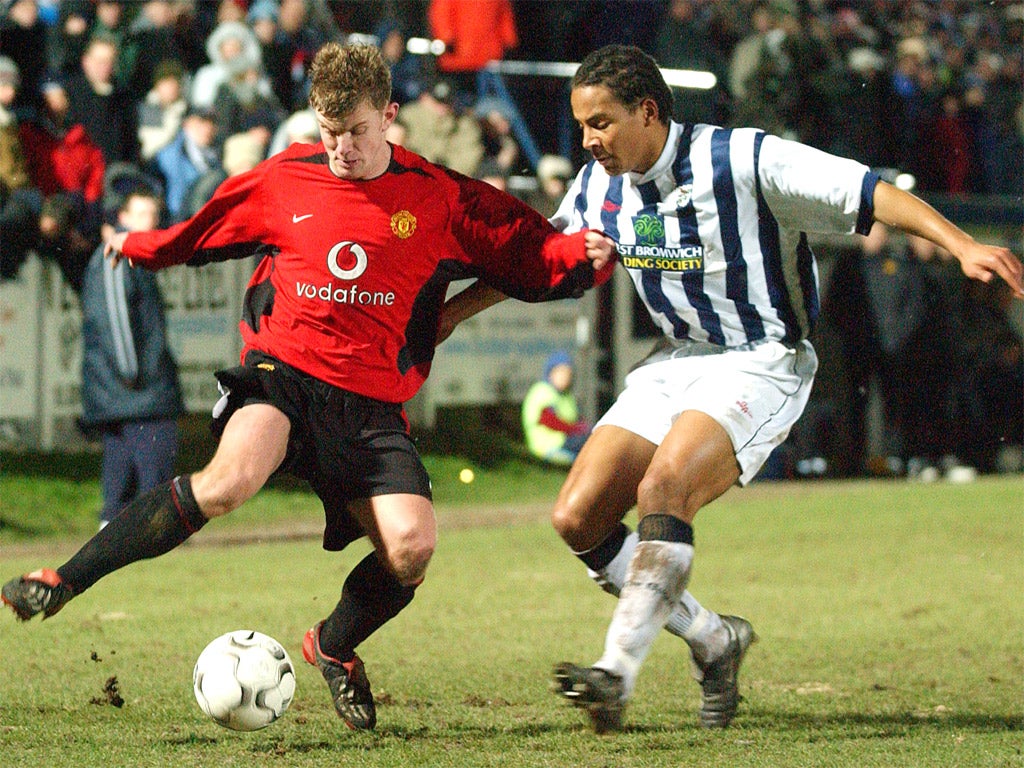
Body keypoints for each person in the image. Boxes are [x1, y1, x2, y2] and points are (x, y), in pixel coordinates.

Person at [1, 42, 615, 733]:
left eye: (355, 132)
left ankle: (334, 645)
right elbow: (199, 235)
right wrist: (140, 245)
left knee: (411, 552)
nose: (342, 149)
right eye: (329, 134)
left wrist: (578, 257)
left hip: (373, 404)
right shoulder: (285, 177)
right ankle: (61, 580)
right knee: (228, 481)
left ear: (388, 117)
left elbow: (527, 250)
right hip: (283, 375)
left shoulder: (440, 198)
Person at [440, 44, 1023, 734]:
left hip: (762, 357)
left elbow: (870, 193)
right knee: (578, 516)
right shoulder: (601, 187)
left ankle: (616, 673)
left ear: (648, 112)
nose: (588, 140)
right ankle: (715, 640)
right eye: (583, 124)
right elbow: (540, 259)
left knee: (664, 489)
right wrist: (448, 316)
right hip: (676, 359)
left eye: (600, 123)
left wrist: (961, 245)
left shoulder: (743, 159)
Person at [80, 188, 184, 529]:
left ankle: (116, 529)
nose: (149, 222)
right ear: (122, 218)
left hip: (134, 390)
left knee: (122, 465)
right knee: (155, 458)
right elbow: (116, 321)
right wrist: (132, 373)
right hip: (136, 389)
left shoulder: (134, 259)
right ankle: (148, 532)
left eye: (152, 215)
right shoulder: (115, 257)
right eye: (140, 214)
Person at [521, 349, 590, 466]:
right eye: (561, 372)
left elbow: (577, 419)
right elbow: (548, 420)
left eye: (568, 373)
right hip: (548, 445)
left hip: (566, 440)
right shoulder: (542, 390)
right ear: (551, 373)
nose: (565, 377)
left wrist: (584, 427)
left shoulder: (567, 395)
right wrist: (576, 429)